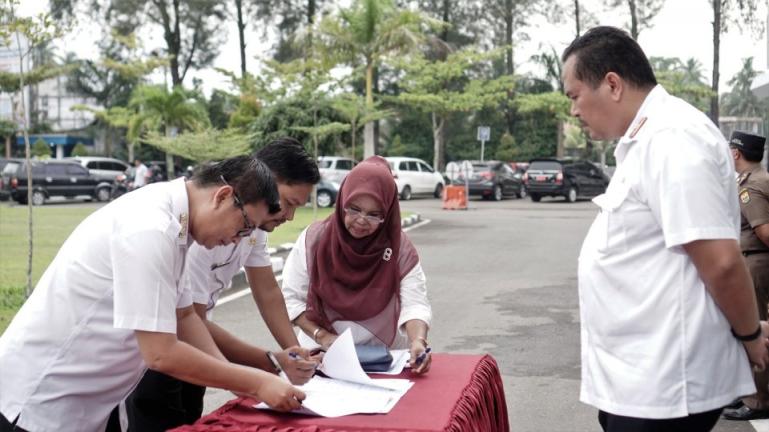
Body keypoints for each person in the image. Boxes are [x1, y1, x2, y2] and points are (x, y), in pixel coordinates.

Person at [0, 156, 306, 432]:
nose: (238, 240)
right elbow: (160, 353)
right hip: (37, 401)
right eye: (244, 227)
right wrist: (255, 382)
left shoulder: (177, 223)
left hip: (83, 405)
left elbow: (185, 317)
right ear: (223, 196)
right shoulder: (151, 227)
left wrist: (238, 380)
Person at [565, 26, 769, 432]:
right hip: (642, 376)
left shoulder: (673, 138)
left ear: (612, 85)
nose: (573, 110)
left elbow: (721, 262)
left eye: (574, 96)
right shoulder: (648, 139)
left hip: (664, 385)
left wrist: (749, 336)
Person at [124, 138, 322, 431]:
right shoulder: (173, 229)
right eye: (288, 203)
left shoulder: (217, 221)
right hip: (150, 361)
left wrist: (287, 354)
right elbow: (167, 345)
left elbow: (192, 316)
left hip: (191, 349)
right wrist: (260, 372)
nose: (238, 239)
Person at [281, 155, 433, 373]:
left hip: (382, 360)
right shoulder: (314, 240)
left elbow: (414, 303)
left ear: (388, 213)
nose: (361, 220)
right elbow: (291, 298)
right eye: (353, 209)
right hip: (321, 354)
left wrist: (418, 341)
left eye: (374, 214)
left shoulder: (399, 249)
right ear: (342, 202)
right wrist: (322, 336)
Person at [723, 131, 769, 420]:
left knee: (755, 328)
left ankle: (759, 400)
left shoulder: (750, 186)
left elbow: (764, 232)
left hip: (757, 263)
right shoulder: (759, 179)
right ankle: (750, 392)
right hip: (755, 262)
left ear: (736, 153)